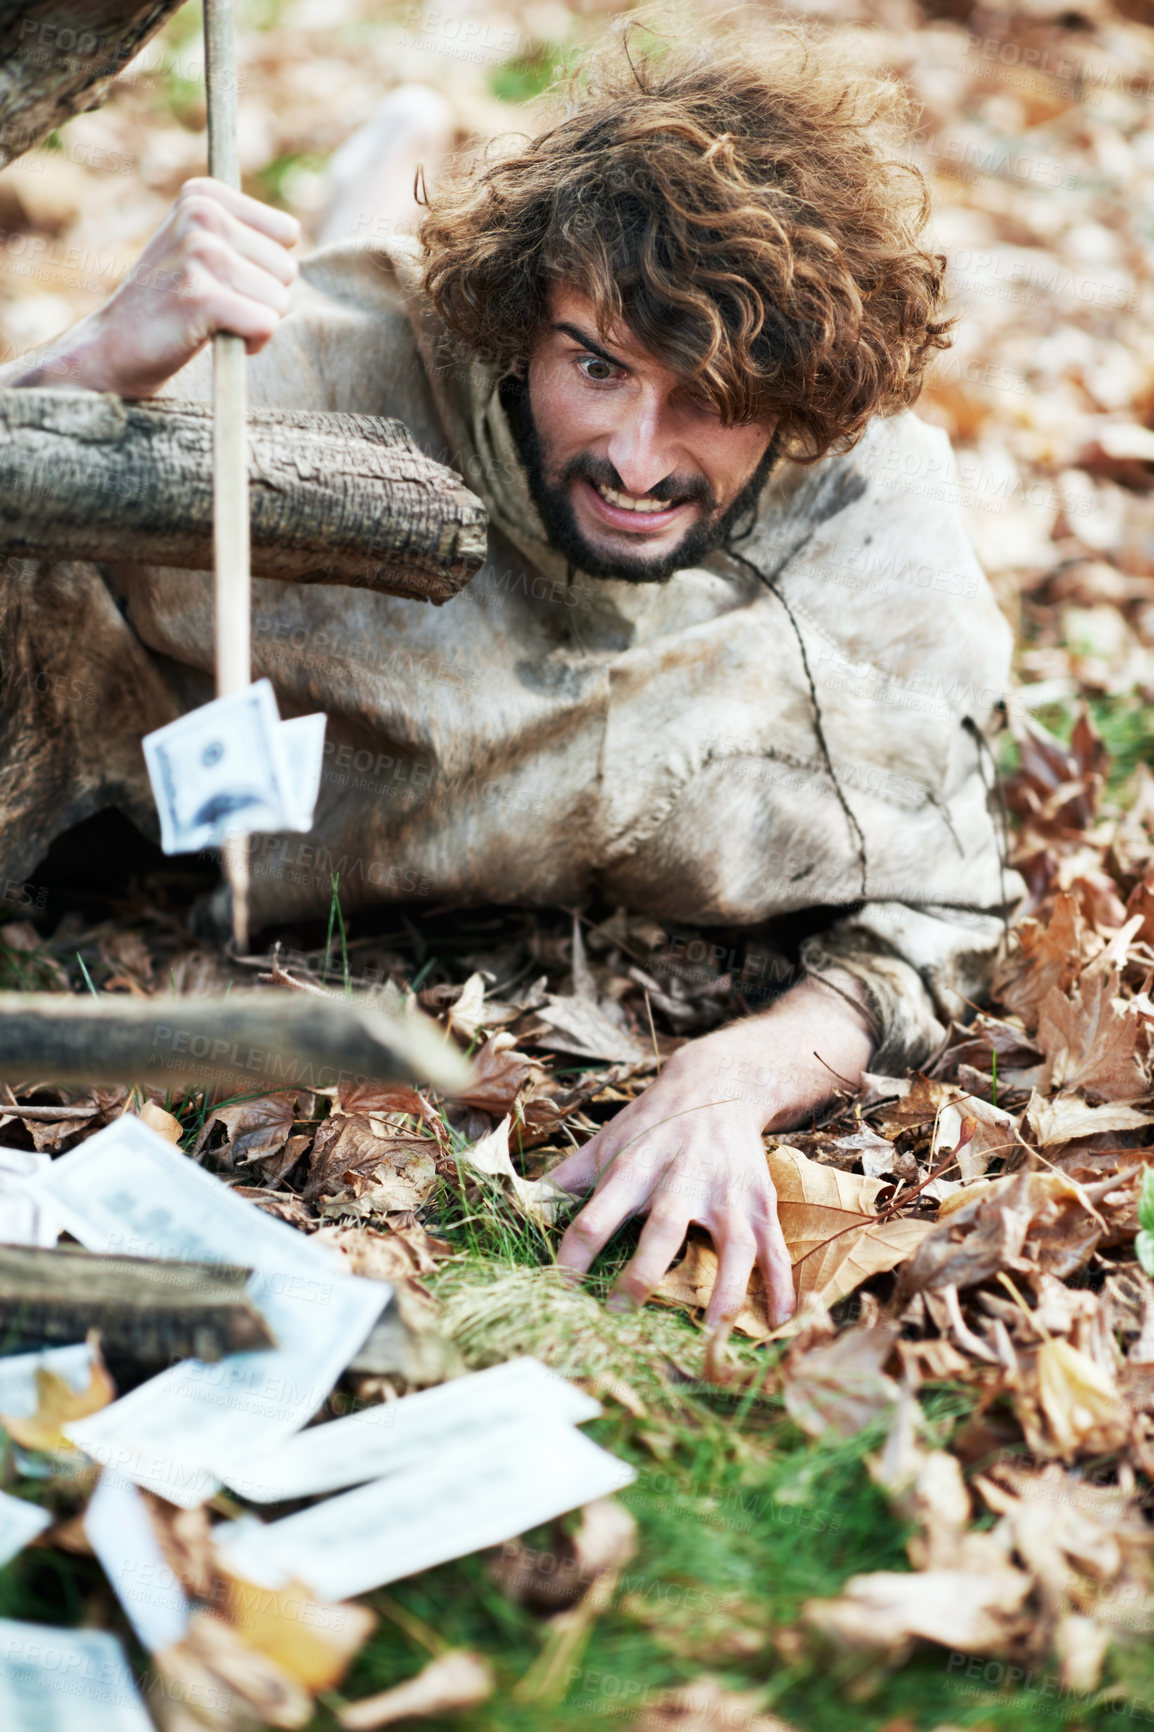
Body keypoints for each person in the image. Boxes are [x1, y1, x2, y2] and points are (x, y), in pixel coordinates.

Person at [0, 29, 1016, 1332]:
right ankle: (380, 170)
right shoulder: (320, 361)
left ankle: (388, 155)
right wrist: (86, 371)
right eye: (594, 364)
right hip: (231, 744)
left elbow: (947, 901)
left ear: (805, 390)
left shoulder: (868, 515)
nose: (637, 459)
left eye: (708, 395)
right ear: (518, 324)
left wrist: (737, 1069)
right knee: (336, 285)